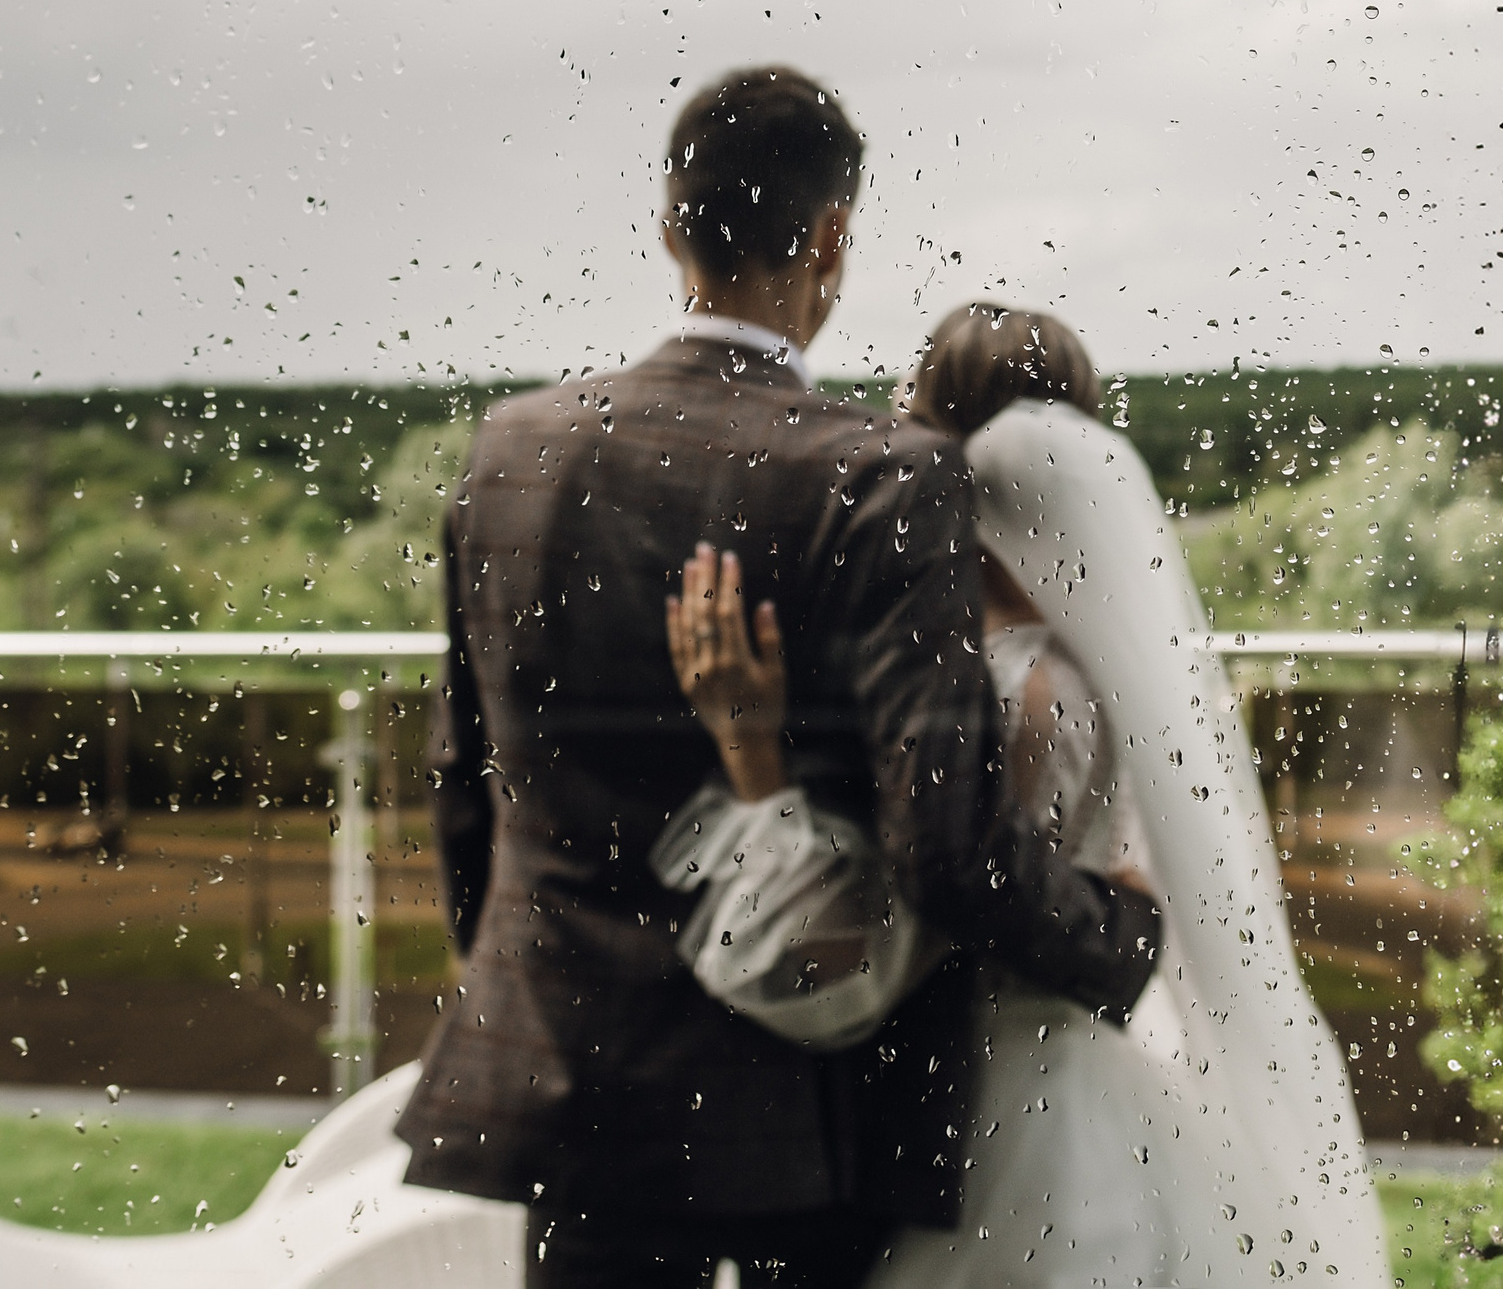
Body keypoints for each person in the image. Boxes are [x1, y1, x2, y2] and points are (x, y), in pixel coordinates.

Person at [396, 70, 1163, 1289]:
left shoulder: (514, 450)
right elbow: (945, 844)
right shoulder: (879, 480)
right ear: (830, 236)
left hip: (570, 1078)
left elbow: (463, 774)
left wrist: (521, 983)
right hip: (805, 1117)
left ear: (668, 227)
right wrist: (1118, 940)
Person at [660, 304, 1392, 1289]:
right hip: (1080, 1067)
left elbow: (947, 887)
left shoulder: (1007, 686)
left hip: (994, 1087)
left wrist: (756, 759)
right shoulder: (1089, 659)